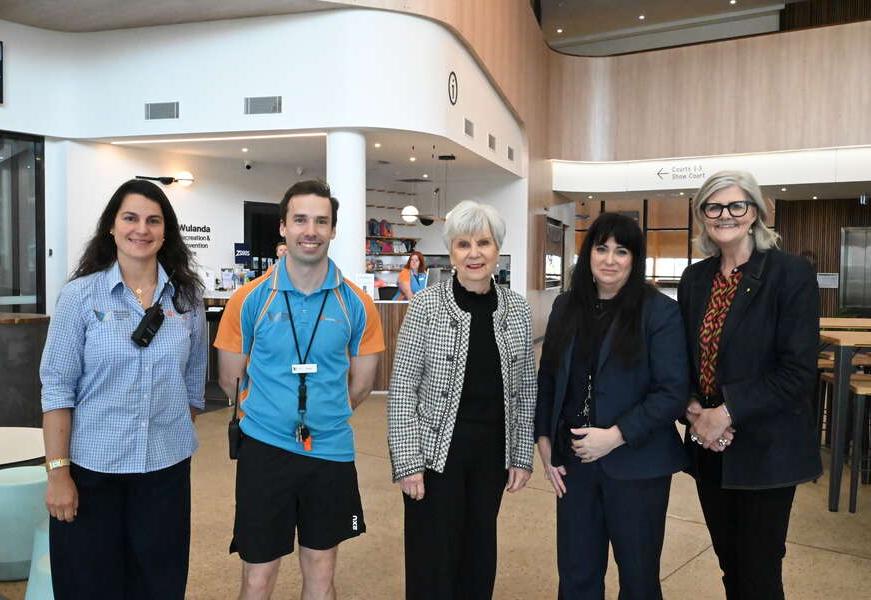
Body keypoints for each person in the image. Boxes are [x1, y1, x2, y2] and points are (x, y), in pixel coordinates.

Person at [215, 180, 384, 600]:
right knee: (258, 575)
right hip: (264, 450)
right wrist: (273, 414)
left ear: (332, 230)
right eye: (301, 220)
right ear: (283, 228)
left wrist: (323, 414)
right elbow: (230, 379)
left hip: (330, 452)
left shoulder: (357, 304)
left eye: (321, 221)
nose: (311, 230)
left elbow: (362, 384)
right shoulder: (249, 299)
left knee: (322, 571)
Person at [39, 179, 207, 599]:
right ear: (111, 227)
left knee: (159, 584)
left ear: (166, 231)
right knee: (89, 584)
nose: (142, 229)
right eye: (130, 218)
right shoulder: (79, 296)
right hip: (92, 472)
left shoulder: (187, 300)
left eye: (154, 220)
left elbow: (192, 387)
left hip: (165, 474)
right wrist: (59, 474)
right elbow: (57, 388)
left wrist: (163, 434)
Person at [678, 170, 821, 600]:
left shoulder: (789, 274)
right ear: (702, 215)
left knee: (759, 574)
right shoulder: (694, 279)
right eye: (714, 206)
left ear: (755, 212)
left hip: (767, 451)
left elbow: (796, 373)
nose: (725, 215)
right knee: (730, 566)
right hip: (709, 450)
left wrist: (726, 412)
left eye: (736, 205)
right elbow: (683, 359)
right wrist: (693, 410)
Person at [388, 199, 536, 600]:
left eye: (483, 243)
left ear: (496, 249)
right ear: (451, 252)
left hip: (490, 455)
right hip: (435, 455)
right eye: (463, 244)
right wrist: (407, 462)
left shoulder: (517, 308)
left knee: (478, 551)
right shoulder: (425, 306)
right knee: (432, 557)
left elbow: (525, 390)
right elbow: (402, 388)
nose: (474, 254)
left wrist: (521, 455)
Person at [536, 212, 688, 600]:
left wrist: (616, 436)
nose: (610, 259)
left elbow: (671, 392)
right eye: (601, 248)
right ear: (588, 254)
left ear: (635, 259)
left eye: (622, 251)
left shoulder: (660, 312)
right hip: (575, 463)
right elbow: (550, 378)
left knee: (638, 578)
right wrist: (543, 439)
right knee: (576, 574)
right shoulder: (566, 306)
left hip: (639, 464)